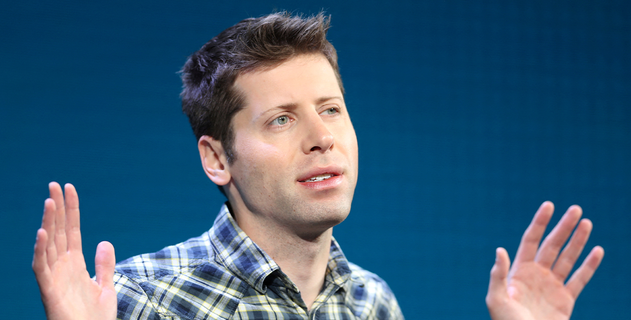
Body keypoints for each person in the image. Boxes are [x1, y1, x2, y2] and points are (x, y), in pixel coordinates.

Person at [32, 12, 604, 320]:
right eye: (281, 119)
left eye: (331, 110)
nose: (322, 137)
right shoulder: (137, 299)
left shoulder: (374, 303)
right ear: (215, 158)